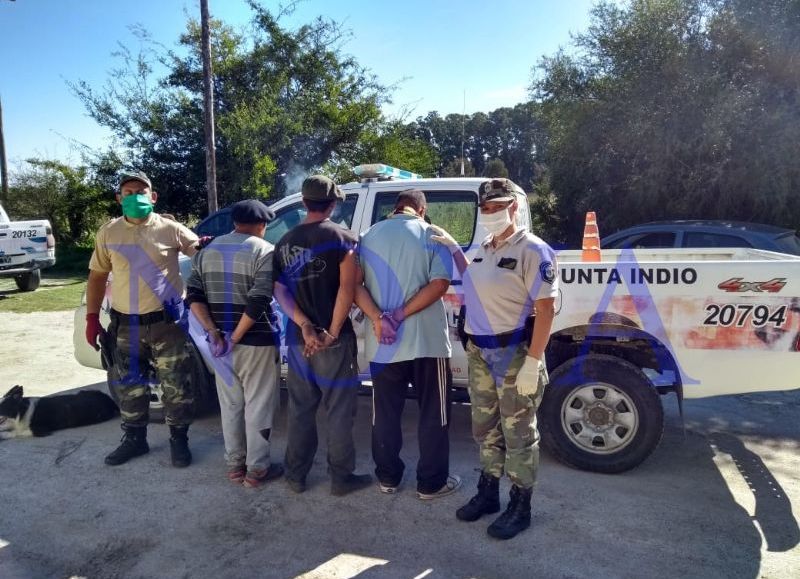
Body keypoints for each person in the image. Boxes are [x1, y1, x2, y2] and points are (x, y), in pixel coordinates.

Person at [431, 178, 558, 540]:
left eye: (497, 207)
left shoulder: (533, 250)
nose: (490, 214)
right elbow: (473, 282)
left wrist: (534, 360)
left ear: (514, 207)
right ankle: (488, 493)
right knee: (485, 428)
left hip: (515, 354)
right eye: (484, 208)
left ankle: (521, 506)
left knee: (518, 433)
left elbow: (546, 310)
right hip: (481, 354)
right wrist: (456, 249)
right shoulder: (485, 247)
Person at [85, 170, 200, 468]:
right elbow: (97, 277)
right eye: (128, 191)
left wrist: (204, 246)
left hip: (167, 325)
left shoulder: (171, 229)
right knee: (129, 387)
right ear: (118, 198)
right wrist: (91, 318)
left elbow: (198, 250)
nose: (135, 196)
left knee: (176, 387)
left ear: (153, 196)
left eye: (141, 190)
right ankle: (135, 440)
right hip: (126, 327)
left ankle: (179, 440)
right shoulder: (108, 233)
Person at [355, 189, 462, 500]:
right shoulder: (433, 234)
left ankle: (387, 478)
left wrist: (379, 318)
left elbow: (354, 286)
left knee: (385, 413)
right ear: (422, 208)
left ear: (396, 208)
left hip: (383, 343)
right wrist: (401, 314)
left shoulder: (368, 235)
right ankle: (431, 484)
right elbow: (440, 284)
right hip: (426, 342)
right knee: (434, 413)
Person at [273, 175, 371, 496]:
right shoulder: (343, 238)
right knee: (339, 409)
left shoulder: (284, 241)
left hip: (299, 338)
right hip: (334, 341)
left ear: (303, 203)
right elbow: (347, 289)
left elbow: (279, 291)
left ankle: (295, 475)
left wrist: (303, 324)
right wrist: (329, 331)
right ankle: (340, 478)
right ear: (332, 205)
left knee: (301, 407)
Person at [185, 200, 284, 488]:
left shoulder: (207, 251)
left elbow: (193, 295)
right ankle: (257, 470)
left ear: (234, 222)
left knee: (230, 405)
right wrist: (236, 336)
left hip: (220, 346)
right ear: (262, 226)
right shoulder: (265, 250)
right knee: (258, 406)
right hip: (256, 342)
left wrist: (214, 333)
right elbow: (259, 299)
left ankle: (234, 466)